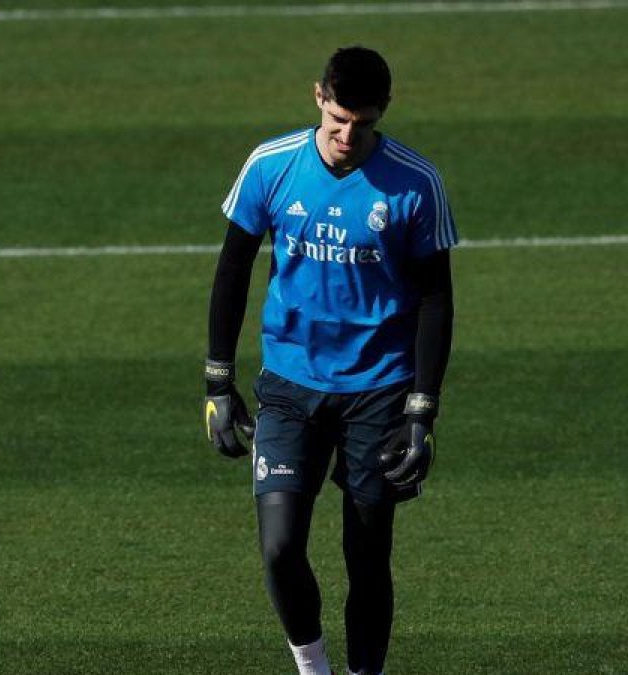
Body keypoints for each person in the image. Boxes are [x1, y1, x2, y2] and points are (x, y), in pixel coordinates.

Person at [204, 46, 456, 675]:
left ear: (383, 113)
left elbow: (435, 297)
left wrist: (422, 412)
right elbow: (233, 269)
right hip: (290, 385)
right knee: (281, 546)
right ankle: (312, 667)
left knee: (367, 556)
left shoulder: (415, 184)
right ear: (318, 96)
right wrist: (217, 379)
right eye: (339, 118)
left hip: (380, 392)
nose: (348, 136)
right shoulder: (272, 165)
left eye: (363, 123)